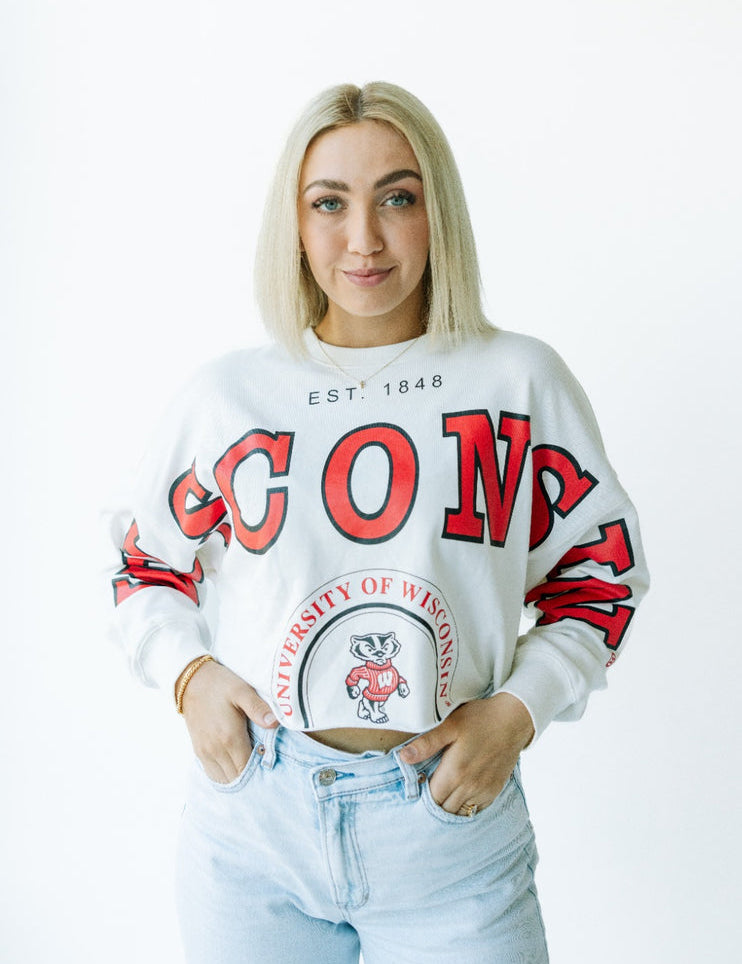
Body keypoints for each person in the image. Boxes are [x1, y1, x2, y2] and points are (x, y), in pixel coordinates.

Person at [110, 81, 648, 963]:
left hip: (449, 835)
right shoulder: (228, 397)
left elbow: (602, 574)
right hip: (254, 837)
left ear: (439, 214)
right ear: (294, 222)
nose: (363, 239)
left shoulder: (515, 382)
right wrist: (189, 678)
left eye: (398, 198)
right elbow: (145, 569)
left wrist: (516, 712)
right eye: (330, 204)